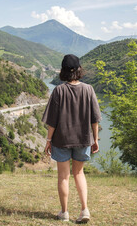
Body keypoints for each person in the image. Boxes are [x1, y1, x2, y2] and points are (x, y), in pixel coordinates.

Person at [42, 54, 101, 223]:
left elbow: (52, 121)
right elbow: (94, 118)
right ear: (79, 69)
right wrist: (95, 139)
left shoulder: (59, 90)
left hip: (61, 140)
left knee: (63, 176)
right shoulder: (89, 89)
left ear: (63, 71)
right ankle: (84, 210)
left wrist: (48, 141)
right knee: (79, 173)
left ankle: (64, 212)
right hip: (83, 139)